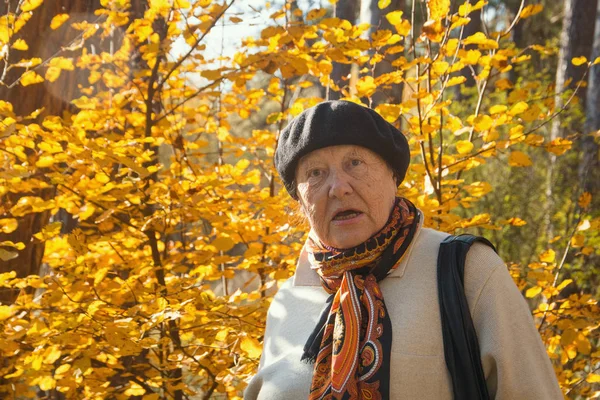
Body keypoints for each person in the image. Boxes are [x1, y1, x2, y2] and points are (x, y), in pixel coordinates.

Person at [244, 100, 562, 399]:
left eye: (355, 163)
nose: (338, 187)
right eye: (315, 173)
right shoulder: (289, 299)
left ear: (393, 176)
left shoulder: (466, 271)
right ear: (300, 199)